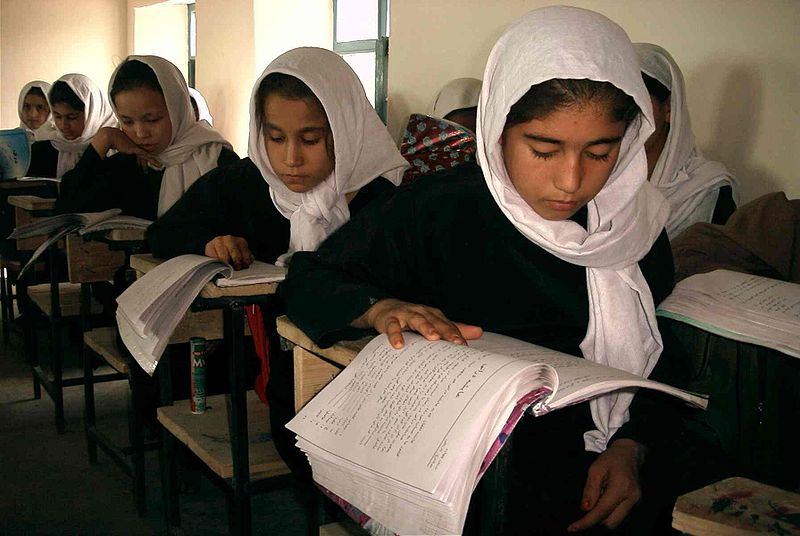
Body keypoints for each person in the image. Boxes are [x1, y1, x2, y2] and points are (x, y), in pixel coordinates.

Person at [279, 7, 710, 534]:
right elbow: (308, 277)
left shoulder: (635, 226)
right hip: (475, 460)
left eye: (600, 152)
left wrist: (632, 447)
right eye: (543, 150)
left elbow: (662, 356)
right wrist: (381, 308)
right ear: (498, 128)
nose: (571, 182)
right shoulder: (437, 209)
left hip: (608, 446)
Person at [55, 56, 237, 220]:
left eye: (152, 120)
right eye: (127, 122)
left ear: (178, 109)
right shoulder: (127, 165)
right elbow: (66, 210)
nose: (141, 133)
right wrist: (103, 139)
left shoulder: (216, 161)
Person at [636, 43, 738, 240]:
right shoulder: (596, 179)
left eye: (637, 102)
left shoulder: (708, 189)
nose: (624, 117)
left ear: (668, 109)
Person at [27, 73, 115, 178]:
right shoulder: (42, 148)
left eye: (72, 117)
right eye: (58, 117)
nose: (64, 125)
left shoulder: (113, 147)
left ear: (92, 114)